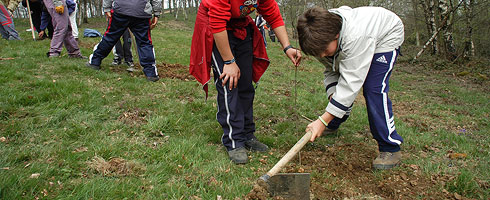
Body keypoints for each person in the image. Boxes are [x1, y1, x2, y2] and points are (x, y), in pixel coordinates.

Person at [189, 0, 302, 164]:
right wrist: (229, 62)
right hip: (216, 30)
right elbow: (217, 23)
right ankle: (234, 141)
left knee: (245, 85)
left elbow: (274, 15)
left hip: (240, 26)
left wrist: (287, 46)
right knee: (229, 83)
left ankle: (247, 135)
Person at [296, 6, 405, 170]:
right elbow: (332, 70)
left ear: (336, 35)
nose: (322, 55)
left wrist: (322, 119)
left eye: (325, 51)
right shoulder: (320, 36)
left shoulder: (355, 38)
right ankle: (333, 123)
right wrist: (333, 95)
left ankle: (390, 147)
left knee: (373, 89)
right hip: (358, 39)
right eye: (318, 53)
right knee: (338, 95)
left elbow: (351, 83)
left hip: (386, 34)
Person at [86, 0, 161, 82]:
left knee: (110, 37)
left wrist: (107, 8)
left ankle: (95, 61)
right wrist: (156, 14)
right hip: (141, 12)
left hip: (120, 10)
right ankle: (151, 73)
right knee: (144, 42)